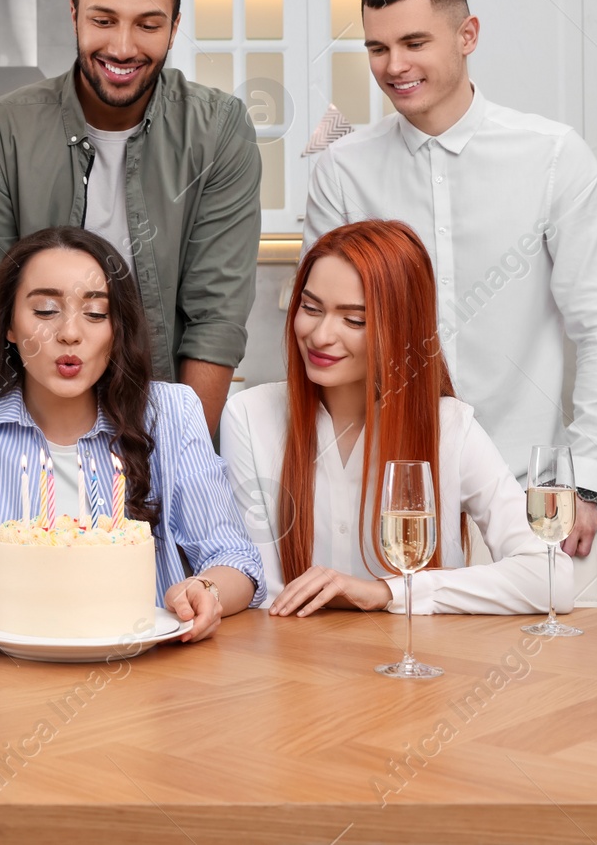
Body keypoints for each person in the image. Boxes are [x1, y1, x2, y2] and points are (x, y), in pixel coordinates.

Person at [302, 0, 597, 603]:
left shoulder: (553, 156)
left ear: (467, 35)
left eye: (414, 42)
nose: (394, 66)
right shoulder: (340, 170)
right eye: (377, 47)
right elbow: (325, 336)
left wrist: (586, 481)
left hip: (532, 502)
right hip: (391, 504)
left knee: (558, 695)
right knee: (386, 696)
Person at [0, 226, 264, 646]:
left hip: (147, 676)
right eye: (46, 310)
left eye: (95, 314)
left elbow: (234, 558)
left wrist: (208, 591)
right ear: (9, 326)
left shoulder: (170, 413)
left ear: (117, 328)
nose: (70, 333)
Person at [0, 0, 262, 435]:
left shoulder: (219, 130)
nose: (122, 46)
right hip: (31, 420)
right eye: (103, 20)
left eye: (148, 25)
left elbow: (215, 317)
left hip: (160, 416)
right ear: (73, 14)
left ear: (175, 28)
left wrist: (182, 459)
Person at [221, 220, 570, 615]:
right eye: (310, 308)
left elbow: (551, 577)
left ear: (400, 329)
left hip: (420, 668)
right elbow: (261, 593)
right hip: (296, 667)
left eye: (353, 320)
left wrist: (390, 592)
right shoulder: (249, 417)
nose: (319, 336)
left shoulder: (449, 428)